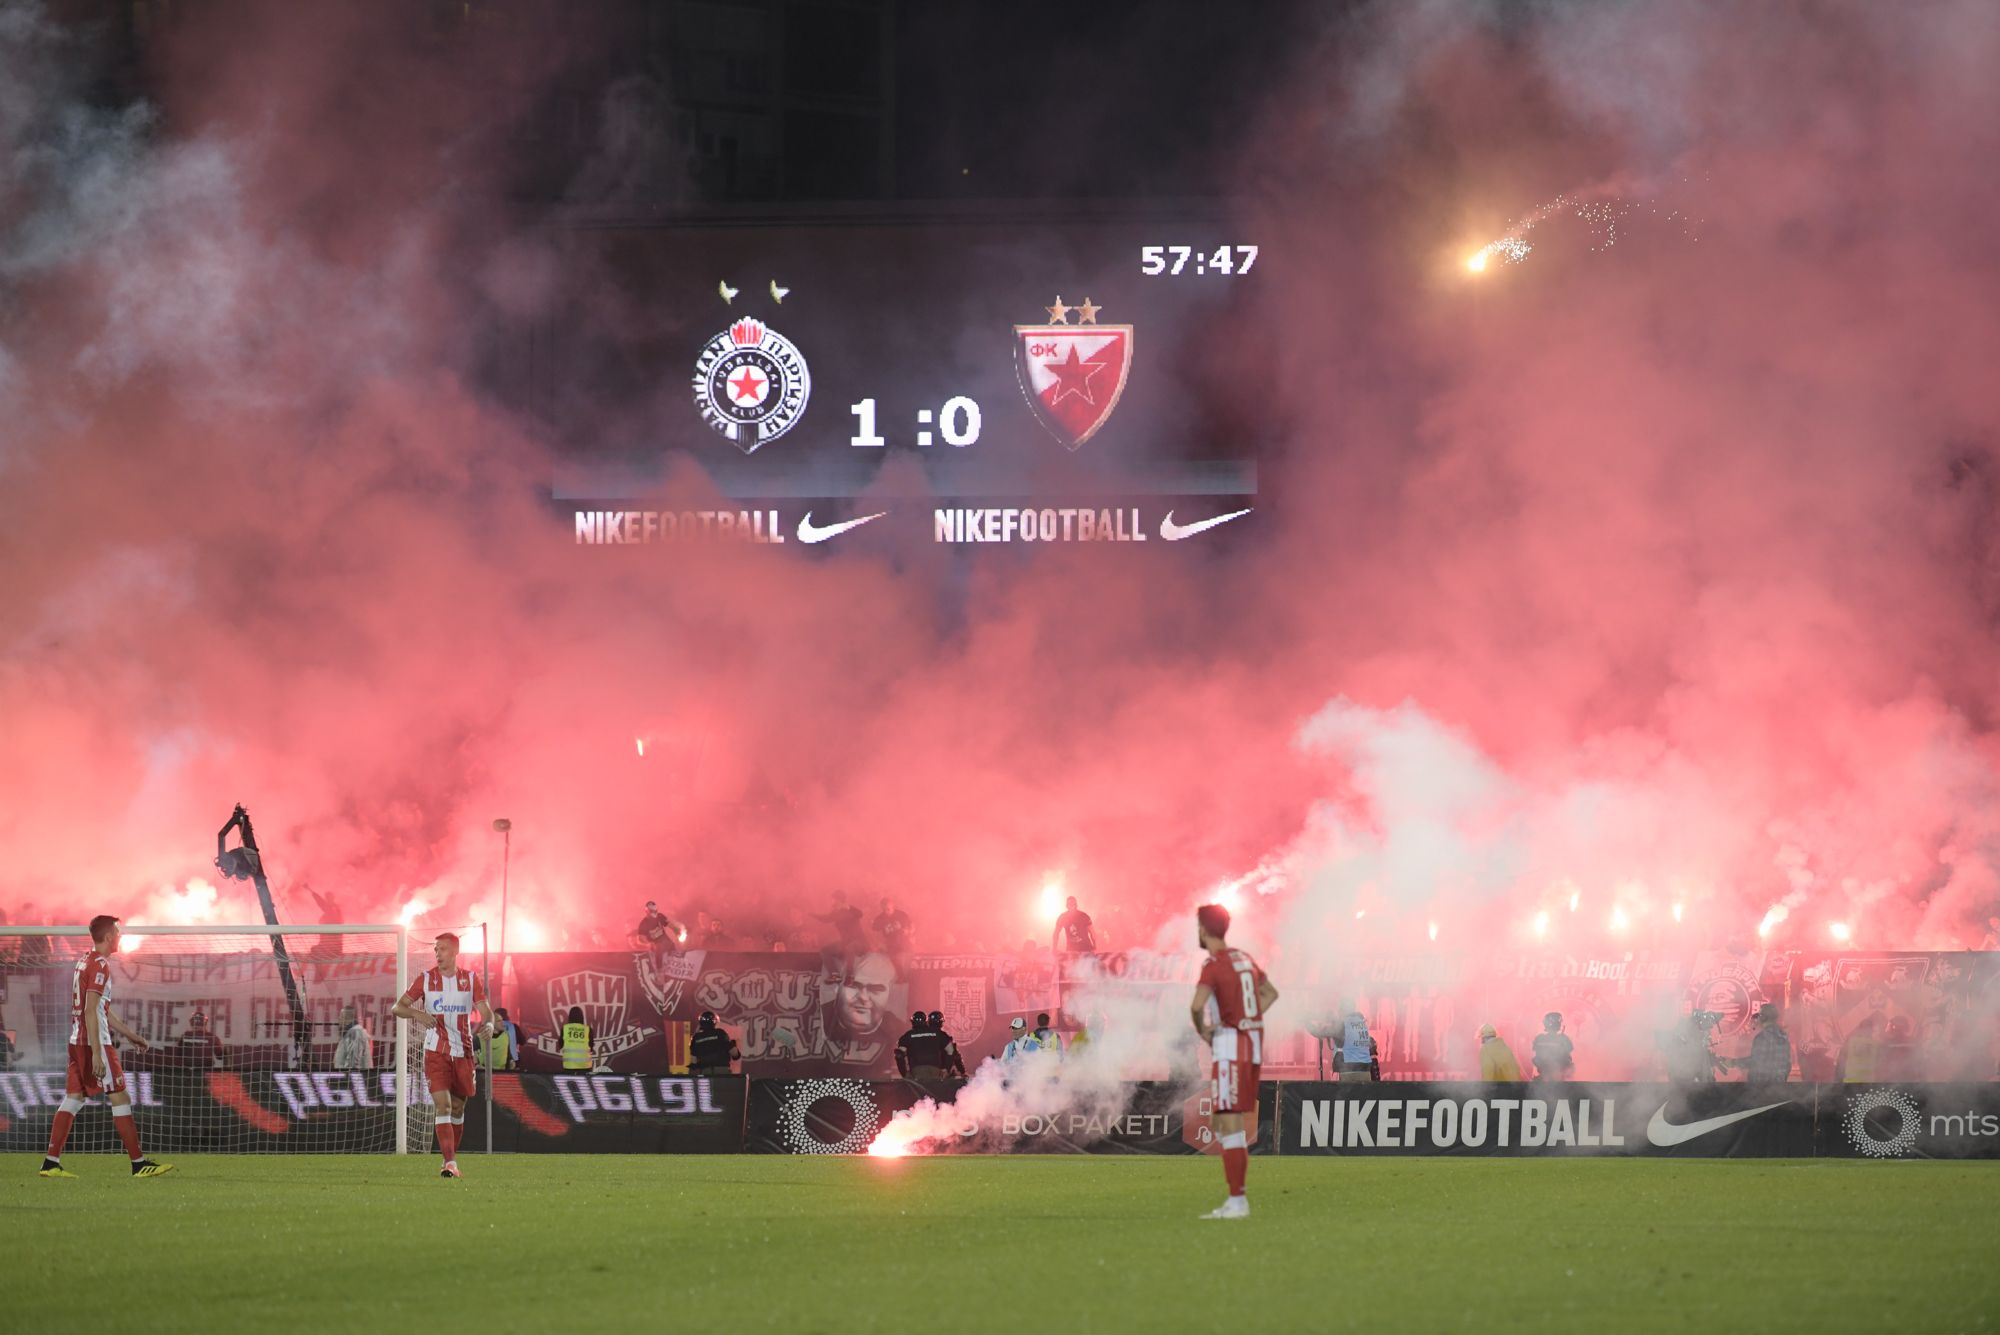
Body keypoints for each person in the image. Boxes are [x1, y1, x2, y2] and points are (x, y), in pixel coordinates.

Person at [39, 915, 174, 1178]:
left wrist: (131, 1035)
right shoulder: (100, 966)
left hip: (77, 1040)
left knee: (74, 1098)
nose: (120, 937)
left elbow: (100, 1008)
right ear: (109, 936)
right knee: (120, 1096)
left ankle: (50, 1163)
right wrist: (97, 1054)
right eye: (118, 932)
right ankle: (139, 1164)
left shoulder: (84, 961)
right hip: (94, 1042)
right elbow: (91, 1010)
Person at [1190, 903, 1276, 1220]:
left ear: (1203, 930)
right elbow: (1270, 993)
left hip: (1230, 1046)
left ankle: (1237, 1202)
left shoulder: (1214, 965)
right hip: (1252, 1044)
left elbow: (1196, 1006)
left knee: (1229, 1122)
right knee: (1223, 1122)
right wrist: (1248, 1017)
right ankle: (1235, 1199)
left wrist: (1205, 1032)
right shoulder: (1244, 958)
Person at [390, 931, 494, 1180]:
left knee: (457, 1108)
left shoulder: (470, 979)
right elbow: (398, 1007)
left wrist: (489, 1024)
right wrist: (418, 1014)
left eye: (443, 949)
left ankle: (450, 1158)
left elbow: (486, 1011)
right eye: (436, 949)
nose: (437, 953)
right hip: (435, 1052)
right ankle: (449, 1163)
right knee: (443, 1105)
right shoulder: (426, 979)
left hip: (464, 1052)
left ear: (455, 952)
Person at [1740, 1003, 1793, 1083]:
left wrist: (1733, 1062)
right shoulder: (1783, 1036)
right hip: (1779, 1085)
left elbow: (1756, 1062)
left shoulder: (1762, 1037)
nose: (1757, 1018)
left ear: (1763, 1018)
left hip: (1762, 1086)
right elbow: (1788, 1064)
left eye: (1759, 1015)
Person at [895, 1010, 951, 1079]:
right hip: (935, 1070)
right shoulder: (937, 1033)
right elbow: (950, 1051)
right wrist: (946, 1069)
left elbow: (899, 1054)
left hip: (916, 1071)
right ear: (926, 1021)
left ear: (912, 1022)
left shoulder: (908, 1035)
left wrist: (904, 1074)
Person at [688, 1011, 741, 1075]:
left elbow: (693, 1061)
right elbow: (734, 1053)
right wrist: (734, 1047)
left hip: (705, 1073)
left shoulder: (696, 1037)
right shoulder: (720, 1033)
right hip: (722, 1071)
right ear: (714, 1022)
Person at [1836, 1013, 1882, 1082]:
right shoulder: (1876, 1045)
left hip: (1850, 1082)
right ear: (1871, 1031)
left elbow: (1840, 1064)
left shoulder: (1850, 1042)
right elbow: (1880, 1067)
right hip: (1868, 1083)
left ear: (1859, 1029)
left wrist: (1838, 1082)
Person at [636, 901, 684, 967]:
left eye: (655, 910)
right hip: (655, 946)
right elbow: (639, 940)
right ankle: (659, 969)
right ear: (647, 912)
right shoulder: (644, 923)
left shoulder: (660, 916)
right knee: (659, 948)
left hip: (666, 942)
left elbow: (669, 924)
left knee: (673, 948)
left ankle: (675, 967)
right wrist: (648, 944)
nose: (654, 912)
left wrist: (676, 931)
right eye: (652, 911)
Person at [1336, 1011, 1380, 1082]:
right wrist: (1376, 1080)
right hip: (1364, 1070)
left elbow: (1338, 1043)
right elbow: (1374, 1064)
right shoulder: (1368, 1038)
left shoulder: (1345, 1029)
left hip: (1348, 1069)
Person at [1531, 1012, 1575, 1081]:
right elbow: (1567, 1061)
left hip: (1545, 1077)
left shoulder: (1539, 1038)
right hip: (1558, 1078)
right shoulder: (1564, 1039)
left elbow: (1536, 1059)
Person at [927, 1010, 968, 1077]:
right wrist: (962, 1071)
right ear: (941, 1022)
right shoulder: (943, 1036)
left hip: (919, 1070)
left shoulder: (921, 1036)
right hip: (940, 1072)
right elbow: (954, 1054)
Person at [334, 1005, 373, 1071]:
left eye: (341, 1016)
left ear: (345, 1017)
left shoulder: (356, 1032)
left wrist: (348, 1075)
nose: (339, 1018)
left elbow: (353, 1061)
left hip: (352, 1075)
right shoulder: (350, 1032)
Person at [558, 1005, 596, 1073]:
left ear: (570, 1016)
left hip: (569, 1065)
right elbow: (591, 1046)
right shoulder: (587, 1029)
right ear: (581, 1017)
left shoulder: (565, 1028)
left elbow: (560, 1045)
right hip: (585, 1065)